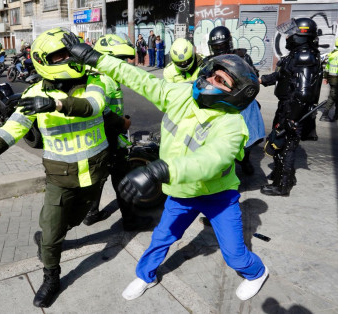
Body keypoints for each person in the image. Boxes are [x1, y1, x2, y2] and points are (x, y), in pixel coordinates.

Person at [62, 32, 269, 303]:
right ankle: (145, 275)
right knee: (161, 238)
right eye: (211, 74)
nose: (209, 80)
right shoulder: (183, 94)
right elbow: (139, 78)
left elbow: (210, 161)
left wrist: (158, 170)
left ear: (236, 95)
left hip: (218, 197)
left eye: (221, 81)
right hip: (181, 192)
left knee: (234, 254)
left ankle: (257, 272)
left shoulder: (232, 124)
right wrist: (95, 58)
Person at [0, 27, 114, 308]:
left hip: (95, 175)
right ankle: (51, 276)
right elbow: (10, 131)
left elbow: (93, 106)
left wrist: (54, 103)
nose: (70, 57)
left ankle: (53, 238)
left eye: (72, 50)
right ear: (44, 61)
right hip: (59, 178)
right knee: (51, 232)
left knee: (71, 223)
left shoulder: (96, 81)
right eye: (62, 54)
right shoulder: (34, 92)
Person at [82, 34, 153, 231]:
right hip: (110, 136)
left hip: (101, 138)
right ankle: (131, 221)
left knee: (101, 175)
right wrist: (123, 122)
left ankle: (91, 213)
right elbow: (101, 113)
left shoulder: (97, 75)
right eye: (119, 60)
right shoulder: (104, 80)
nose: (123, 64)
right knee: (123, 179)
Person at [260, 18, 323, 196]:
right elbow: (282, 75)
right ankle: (280, 174)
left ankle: (283, 185)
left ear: (301, 35)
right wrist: (262, 80)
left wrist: (292, 118)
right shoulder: (298, 54)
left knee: (286, 146)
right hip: (286, 106)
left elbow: (303, 94)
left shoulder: (304, 57)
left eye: (291, 34)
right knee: (280, 142)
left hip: (293, 109)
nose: (288, 37)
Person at [205, 25, 265, 176]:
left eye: (222, 45)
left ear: (229, 44)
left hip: (239, 101)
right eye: (216, 47)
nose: (219, 49)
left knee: (252, 110)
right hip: (217, 103)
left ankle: (245, 158)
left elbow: (253, 79)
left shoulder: (242, 58)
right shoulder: (208, 62)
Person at [320, 38, 338, 122]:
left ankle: (336, 115)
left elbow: (326, 67)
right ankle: (324, 115)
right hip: (336, 80)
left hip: (331, 79)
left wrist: (325, 77)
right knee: (332, 97)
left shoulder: (332, 54)